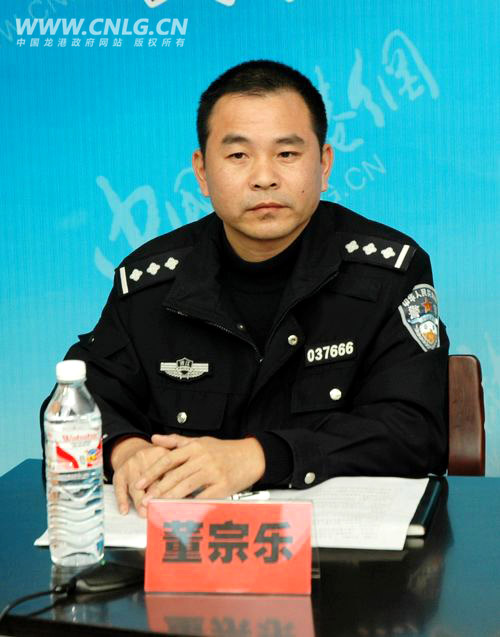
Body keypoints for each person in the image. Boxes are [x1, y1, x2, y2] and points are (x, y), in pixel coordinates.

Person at [41, 60, 449, 517]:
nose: (264, 177)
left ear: (324, 164)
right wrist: (125, 450)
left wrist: (258, 456)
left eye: (287, 154)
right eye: (238, 156)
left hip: (341, 547)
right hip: (188, 544)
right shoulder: (150, 283)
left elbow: (417, 432)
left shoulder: (390, 273)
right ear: (201, 171)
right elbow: (77, 399)